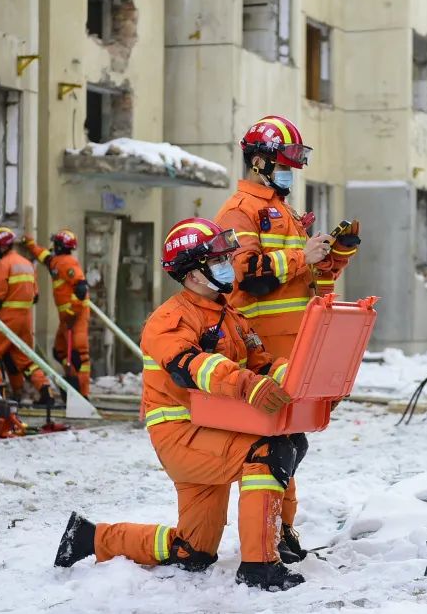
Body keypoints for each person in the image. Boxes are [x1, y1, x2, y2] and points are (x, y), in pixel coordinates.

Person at [53, 218, 304, 590]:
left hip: (213, 433)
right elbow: (190, 366)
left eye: (226, 257)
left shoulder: (229, 316)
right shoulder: (170, 320)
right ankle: (259, 566)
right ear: (192, 274)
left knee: (193, 552)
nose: (227, 265)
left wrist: (306, 380)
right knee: (269, 451)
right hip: (182, 436)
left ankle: (90, 537)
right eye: (218, 260)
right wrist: (247, 385)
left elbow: (261, 362)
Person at [214, 114, 360, 563]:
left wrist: (334, 257)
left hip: (294, 345)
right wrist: (302, 255)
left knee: (287, 442)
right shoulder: (241, 210)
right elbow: (245, 277)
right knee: (275, 446)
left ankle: (282, 531)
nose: (289, 172)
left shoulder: (285, 213)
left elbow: (306, 278)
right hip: (263, 348)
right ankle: (271, 537)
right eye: (283, 163)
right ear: (258, 161)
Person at [0, 226, 53, 405]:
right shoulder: (26, 263)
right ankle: (46, 391)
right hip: (26, 319)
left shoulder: (3, 264)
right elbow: (35, 296)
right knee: (25, 359)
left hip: (8, 318)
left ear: (2, 247)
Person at [23, 229, 92, 397]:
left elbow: (81, 288)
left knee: (79, 356)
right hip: (66, 319)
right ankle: (72, 379)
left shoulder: (68, 263)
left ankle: (82, 395)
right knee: (59, 351)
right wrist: (31, 246)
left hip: (76, 317)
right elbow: (45, 258)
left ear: (60, 246)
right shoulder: (57, 262)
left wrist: (71, 312)